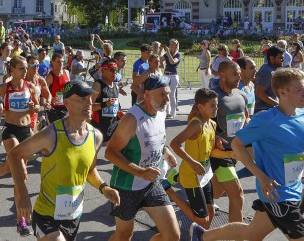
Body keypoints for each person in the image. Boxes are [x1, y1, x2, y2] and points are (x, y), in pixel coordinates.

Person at [190, 68, 304, 241]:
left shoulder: (302, 115)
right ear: (282, 92)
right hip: (278, 194)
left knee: (251, 233)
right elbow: (237, 144)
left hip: (296, 190)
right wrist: (261, 176)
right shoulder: (266, 120)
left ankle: (202, 236)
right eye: (299, 89)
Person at [8, 80, 120, 240]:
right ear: (66, 103)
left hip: (74, 216)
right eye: (81, 99)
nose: (88, 103)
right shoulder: (52, 134)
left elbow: (90, 170)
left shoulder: (96, 136)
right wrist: (23, 194)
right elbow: (14, 155)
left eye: (89, 98)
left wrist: (103, 188)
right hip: (47, 215)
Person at [105, 76, 180, 241]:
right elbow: (110, 152)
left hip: (150, 184)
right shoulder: (131, 119)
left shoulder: (160, 113)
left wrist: (166, 152)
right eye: (161, 94)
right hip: (126, 187)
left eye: (168, 94)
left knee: (172, 236)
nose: (167, 99)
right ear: (146, 94)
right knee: (124, 235)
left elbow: (154, 139)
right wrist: (140, 172)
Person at [0, 55, 40, 236]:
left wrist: (33, 108)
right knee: (21, 173)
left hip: (26, 131)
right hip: (10, 132)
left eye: (26, 68)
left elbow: (38, 107)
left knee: (10, 166)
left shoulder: (30, 87)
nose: (26, 71)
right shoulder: (3, 88)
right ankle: (20, 221)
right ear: (13, 69)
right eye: (22, 68)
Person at [170, 88, 234, 230]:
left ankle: (201, 236)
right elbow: (175, 143)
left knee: (211, 211)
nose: (216, 108)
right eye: (212, 106)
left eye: (217, 105)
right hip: (191, 175)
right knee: (201, 219)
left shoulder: (212, 124)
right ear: (200, 106)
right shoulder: (196, 124)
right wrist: (191, 162)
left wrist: (231, 153)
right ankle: (169, 190)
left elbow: (210, 152)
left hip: (205, 173)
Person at [210, 60, 248, 223]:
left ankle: (198, 197)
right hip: (218, 154)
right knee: (237, 195)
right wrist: (215, 136)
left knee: (215, 193)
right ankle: (236, 235)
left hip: (234, 153)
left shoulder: (241, 94)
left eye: (239, 73)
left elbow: (245, 117)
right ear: (221, 75)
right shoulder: (212, 95)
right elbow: (196, 122)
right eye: (234, 74)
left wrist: (247, 124)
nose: (238, 77)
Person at [90, 59, 121, 142]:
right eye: (112, 70)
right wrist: (104, 104)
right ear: (103, 70)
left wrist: (121, 116)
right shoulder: (98, 85)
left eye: (116, 70)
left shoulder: (116, 87)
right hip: (99, 126)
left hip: (112, 126)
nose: (114, 73)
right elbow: (89, 106)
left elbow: (116, 107)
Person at [255, 46, 284, 113]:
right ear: (272, 58)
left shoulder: (270, 69)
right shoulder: (267, 72)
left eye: (283, 58)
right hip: (264, 109)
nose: (282, 60)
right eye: (280, 58)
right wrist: (278, 105)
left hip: (269, 108)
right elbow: (260, 93)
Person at [45, 53, 70, 123]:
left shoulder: (66, 72)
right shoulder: (50, 76)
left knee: (65, 129)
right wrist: (50, 100)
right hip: (54, 108)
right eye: (58, 62)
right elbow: (44, 92)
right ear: (53, 62)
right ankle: (44, 121)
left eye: (62, 61)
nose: (61, 64)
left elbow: (70, 88)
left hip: (65, 106)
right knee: (54, 130)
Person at [161, 39, 181, 118]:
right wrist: (160, 50)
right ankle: (167, 112)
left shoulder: (178, 55)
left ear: (176, 46)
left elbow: (173, 62)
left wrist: (168, 53)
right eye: (170, 44)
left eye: (173, 44)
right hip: (165, 75)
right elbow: (159, 59)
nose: (171, 45)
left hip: (173, 76)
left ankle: (173, 113)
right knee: (164, 93)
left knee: (172, 95)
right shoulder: (166, 54)